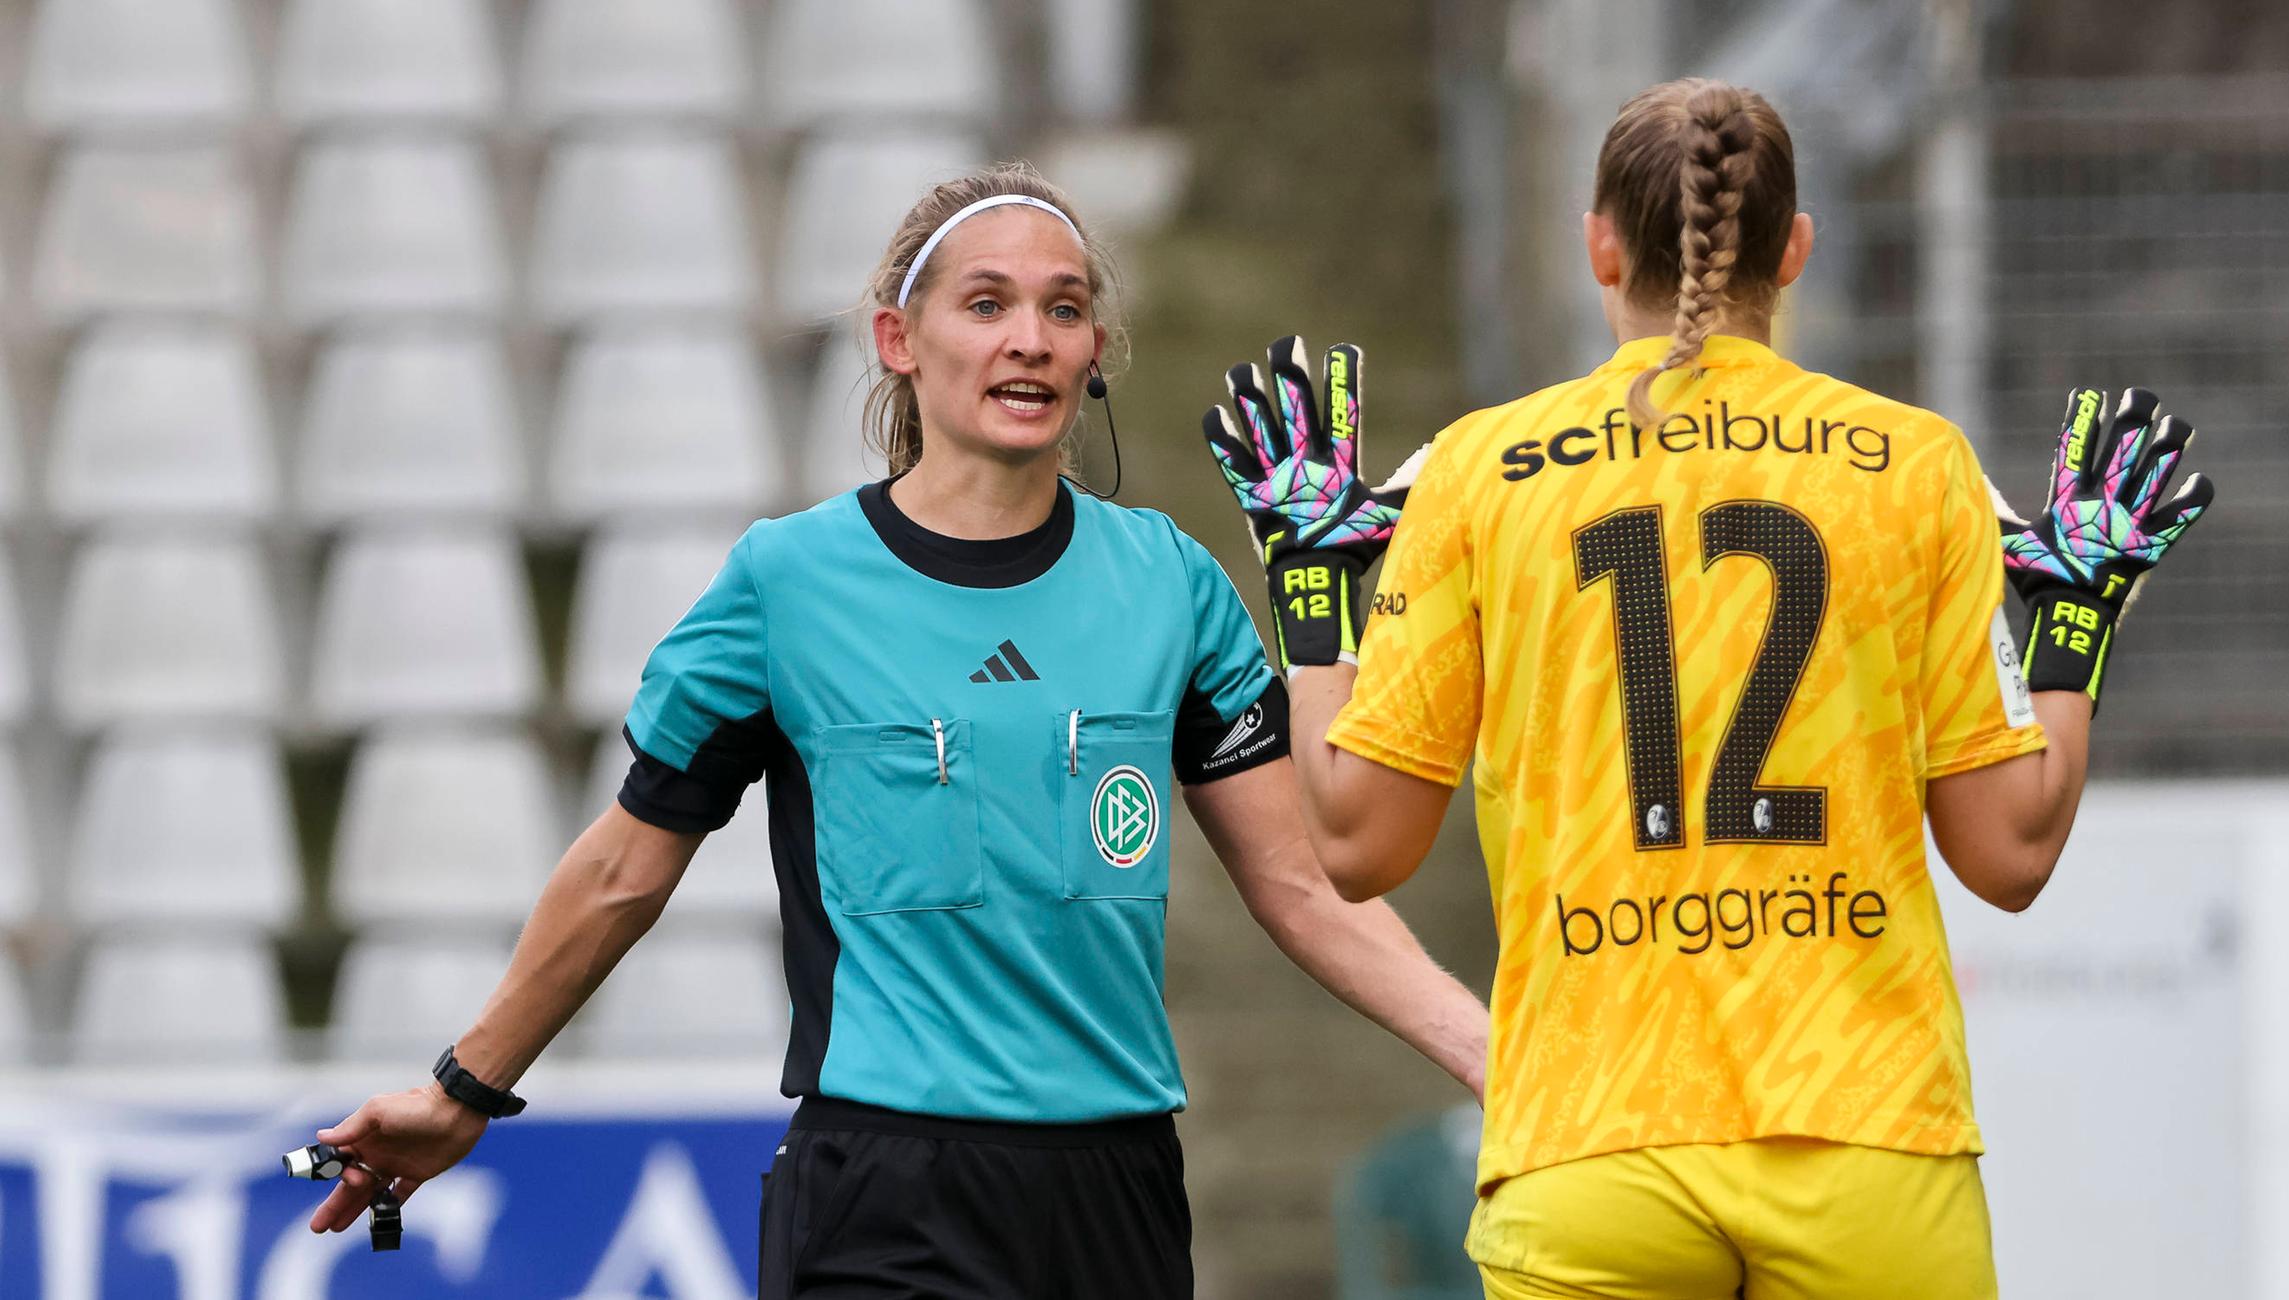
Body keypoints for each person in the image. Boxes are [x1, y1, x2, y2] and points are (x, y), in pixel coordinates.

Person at [304, 163, 1491, 1300]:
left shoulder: (1169, 584)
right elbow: (623, 867)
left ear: (1092, 358)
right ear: (898, 341)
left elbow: (1300, 881)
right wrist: (466, 1084)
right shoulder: (788, 582)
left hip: (1117, 1188)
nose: (1030, 336)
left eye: (1062, 308)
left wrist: (1503, 1060)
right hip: (889, 1188)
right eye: (987, 303)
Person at [1200, 79, 2213, 1299]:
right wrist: (2075, 625)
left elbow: (1357, 842)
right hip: (1865, 1131)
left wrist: (1313, 600)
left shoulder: (1480, 471)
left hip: (1591, 1136)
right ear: (1793, 246)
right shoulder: (1914, 465)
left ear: (1598, 245)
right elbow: (2009, 853)